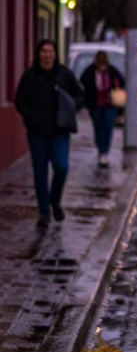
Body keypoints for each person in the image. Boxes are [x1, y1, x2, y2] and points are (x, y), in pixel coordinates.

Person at [15, 39, 84, 228]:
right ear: (38, 54)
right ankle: (44, 212)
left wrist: (72, 107)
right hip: (37, 132)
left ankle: (55, 200)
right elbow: (20, 100)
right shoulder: (30, 76)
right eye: (44, 51)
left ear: (55, 54)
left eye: (51, 51)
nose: (47, 55)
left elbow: (79, 94)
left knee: (61, 166)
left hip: (60, 130)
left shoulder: (64, 74)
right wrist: (31, 117)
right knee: (40, 171)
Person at [79, 50, 125, 166]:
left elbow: (121, 84)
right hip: (95, 105)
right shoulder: (90, 72)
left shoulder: (112, 71)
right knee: (98, 127)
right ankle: (100, 149)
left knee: (108, 126)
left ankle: (104, 152)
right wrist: (86, 102)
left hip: (110, 104)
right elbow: (83, 84)